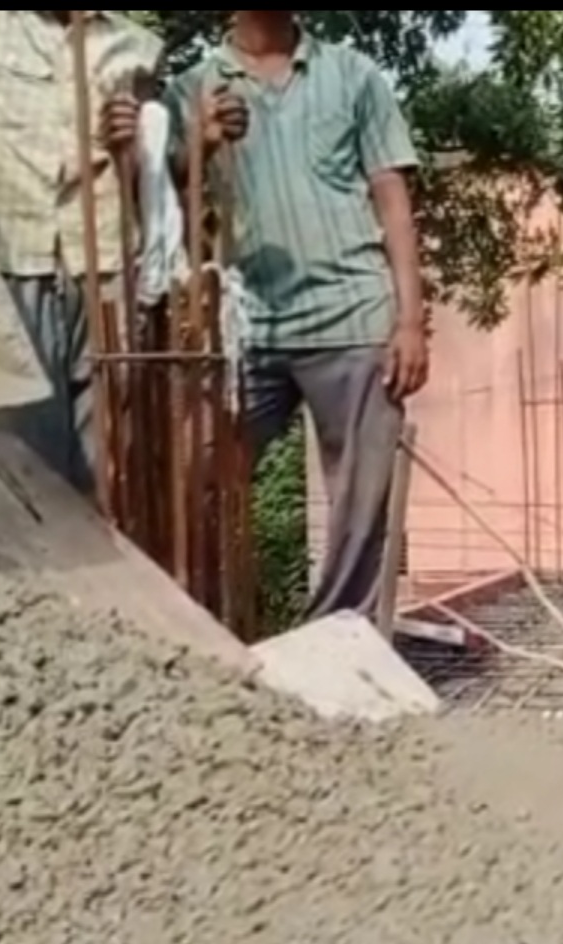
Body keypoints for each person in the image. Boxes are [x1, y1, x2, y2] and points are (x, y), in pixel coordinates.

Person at [106, 9, 428, 621]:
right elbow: (154, 197)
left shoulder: (353, 75)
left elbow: (392, 199)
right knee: (191, 468)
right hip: (249, 327)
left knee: (361, 507)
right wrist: (199, 141)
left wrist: (410, 321)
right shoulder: (192, 88)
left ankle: (337, 640)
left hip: (354, 316)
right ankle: (194, 623)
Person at [0, 11, 162, 494]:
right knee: (22, 463)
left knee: (106, 468)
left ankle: (97, 565)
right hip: (13, 261)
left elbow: (154, 171)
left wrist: (134, 142)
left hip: (105, 266)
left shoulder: (136, 45)